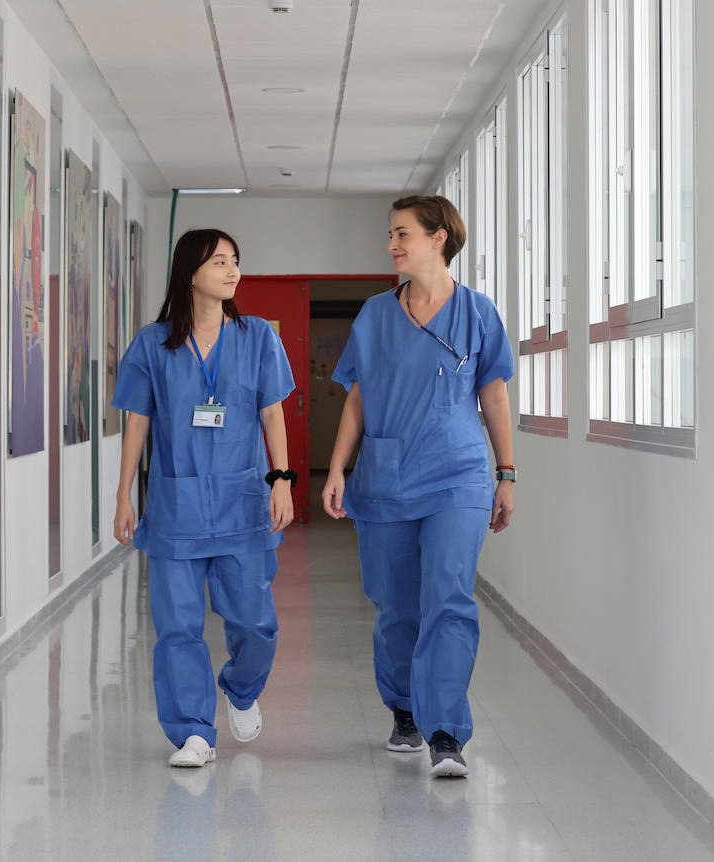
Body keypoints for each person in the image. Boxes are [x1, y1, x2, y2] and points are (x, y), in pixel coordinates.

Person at [322, 195, 516, 778]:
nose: (391, 245)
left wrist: (507, 473)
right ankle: (405, 708)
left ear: (439, 237)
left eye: (401, 233)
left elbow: (494, 395)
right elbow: (356, 397)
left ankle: (445, 730)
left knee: (450, 597)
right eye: (390, 234)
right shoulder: (376, 315)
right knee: (397, 605)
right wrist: (336, 468)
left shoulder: (479, 313)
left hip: (459, 474)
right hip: (385, 477)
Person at [112, 228, 298, 768]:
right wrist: (125, 494)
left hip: (243, 502)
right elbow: (138, 423)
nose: (232, 270)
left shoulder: (258, 336)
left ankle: (240, 689)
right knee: (177, 627)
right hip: (175, 507)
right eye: (220, 261)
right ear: (190, 272)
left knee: (256, 624)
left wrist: (281, 478)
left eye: (236, 260)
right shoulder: (153, 344)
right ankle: (193, 730)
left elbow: (272, 412)